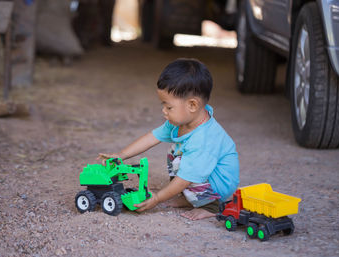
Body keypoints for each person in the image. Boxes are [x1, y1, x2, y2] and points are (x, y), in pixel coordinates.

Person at [98, 58, 239, 220]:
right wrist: (121, 155)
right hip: (203, 173)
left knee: (181, 162)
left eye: (169, 107)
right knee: (175, 152)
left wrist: (157, 198)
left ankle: (210, 206)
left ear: (192, 105)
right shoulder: (181, 121)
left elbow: (186, 177)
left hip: (219, 185)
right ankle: (189, 197)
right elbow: (152, 137)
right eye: (163, 105)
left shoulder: (204, 140)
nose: (164, 111)